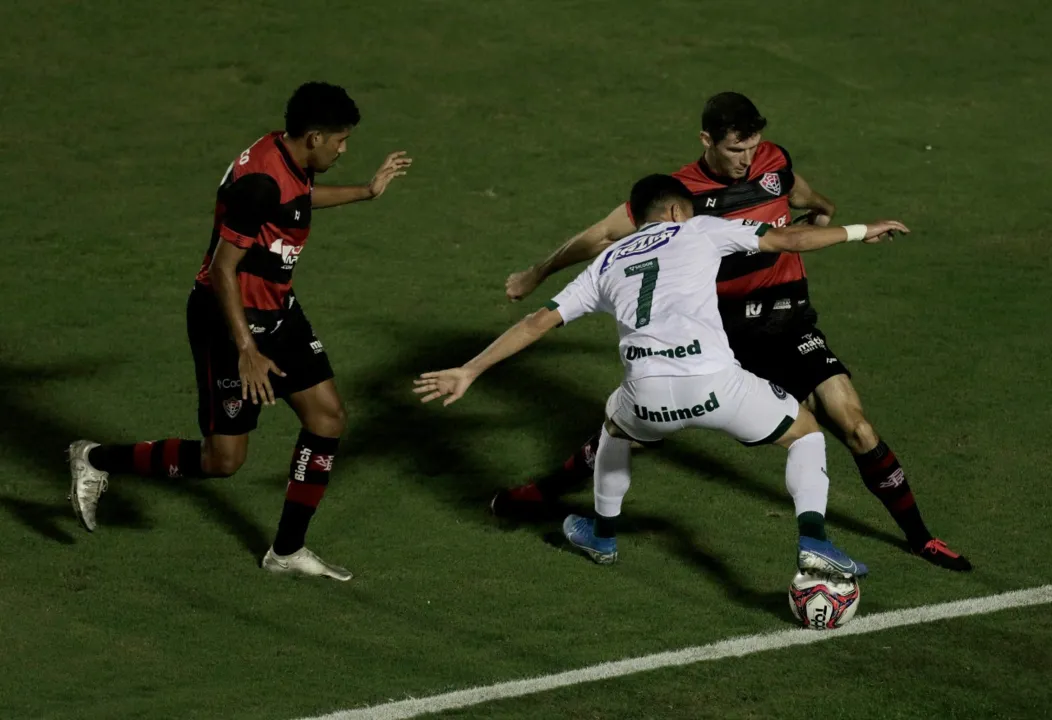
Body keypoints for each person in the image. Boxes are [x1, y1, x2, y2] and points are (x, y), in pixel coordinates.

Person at [497, 92, 969, 571]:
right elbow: (600, 236)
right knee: (623, 436)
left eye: (752, 147)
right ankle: (544, 494)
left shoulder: (772, 161)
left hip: (788, 323)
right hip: (725, 334)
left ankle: (921, 538)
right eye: (734, 151)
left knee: (857, 425)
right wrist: (538, 273)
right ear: (707, 141)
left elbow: (796, 194)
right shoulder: (679, 196)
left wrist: (825, 208)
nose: (746, 160)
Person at [416, 174, 906, 575]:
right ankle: (814, 540)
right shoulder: (698, 229)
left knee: (613, 423)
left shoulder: (606, 261)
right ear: (675, 211)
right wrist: (863, 230)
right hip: (717, 383)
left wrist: (469, 370)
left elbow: (536, 322)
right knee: (806, 433)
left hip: (647, 394)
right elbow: (788, 238)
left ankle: (603, 538)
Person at [68, 82, 412, 581]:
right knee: (223, 460)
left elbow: (297, 202)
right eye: (340, 140)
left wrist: (366, 191)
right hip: (227, 321)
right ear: (314, 137)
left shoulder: (286, 155)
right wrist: (246, 350)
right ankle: (95, 458)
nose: (344, 148)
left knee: (328, 418)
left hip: (278, 310)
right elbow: (221, 269)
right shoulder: (259, 184)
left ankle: (287, 551)